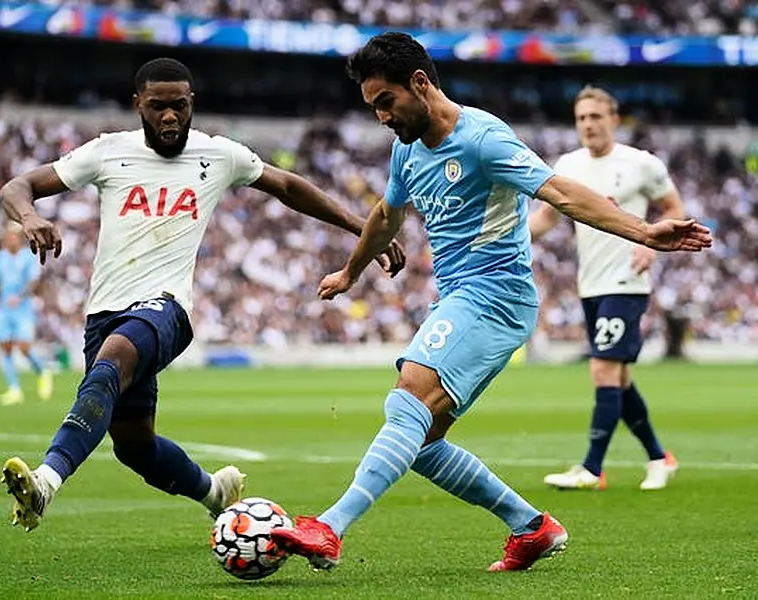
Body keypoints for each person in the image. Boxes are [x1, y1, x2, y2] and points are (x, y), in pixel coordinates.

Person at [270, 33, 712, 572]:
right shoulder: (405, 146)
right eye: (373, 108)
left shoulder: (483, 139)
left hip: (497, 292)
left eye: (386, 102)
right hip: (461, 296)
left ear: (420, 84)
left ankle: (330, 527)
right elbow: (388, 214)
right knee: (423, 442)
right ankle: (532, 527)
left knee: (408, 394)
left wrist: (642, 232)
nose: (382, 117)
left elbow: (559, 192)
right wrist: (350, 271)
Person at [0, 57, 405, 532]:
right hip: (105, 310)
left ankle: (45, 483)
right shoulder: (108, 152)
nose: (169, 117)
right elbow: (17, 186)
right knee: (134, 447)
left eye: (179, 106)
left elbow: (289, 186)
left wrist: (364, 228)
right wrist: (29, 217)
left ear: (192, 104)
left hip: (168, 307)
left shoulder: (219, 155)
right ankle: (215, 492)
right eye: (157, 107)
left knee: (114, 359)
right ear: (138, 106)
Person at [529, 86, 684, 491]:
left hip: (627, 279)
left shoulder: (641, 164)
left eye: (596, 117)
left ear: (613, 119)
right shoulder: (569, 165)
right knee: (619, 378)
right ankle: (658, 457)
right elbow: (547, 217)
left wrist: (651, 249)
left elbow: (673, 208)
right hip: (591, 283)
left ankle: (591, 468)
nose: (588, 125)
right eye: (581, 118)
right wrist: (507, 238)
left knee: (602, 369)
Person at [0, 223, 54, 405]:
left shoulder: (28, 257)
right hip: (5, 309)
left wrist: (20, 296)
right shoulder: (1, 257)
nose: (8, 240)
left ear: (18, 238)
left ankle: (43, 371)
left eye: (12, 237)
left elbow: (34, 282)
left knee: (24, 347)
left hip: (23, 309)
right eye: (7, 237)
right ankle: (14, 389)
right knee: (5, 347)